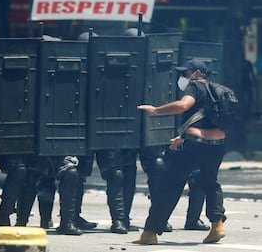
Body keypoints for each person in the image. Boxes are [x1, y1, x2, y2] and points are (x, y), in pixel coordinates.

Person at [134, 58, 227, 244]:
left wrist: (156, 110)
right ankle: (217, 224)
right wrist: (182, 137)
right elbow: (208, 119)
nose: (183, 77)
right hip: (217, 145)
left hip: (195, 145)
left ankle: (150, 232)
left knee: (170, 185)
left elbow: (183, 106)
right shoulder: (220, 91)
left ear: (197, 74)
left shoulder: (196, 87)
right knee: (210, 182)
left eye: (185, 73)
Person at [95, 149, 138, 234]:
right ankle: (118, 219)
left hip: (129, 140)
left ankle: (124, 218)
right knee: (115, 174)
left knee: (129, 173)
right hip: (108, 141)